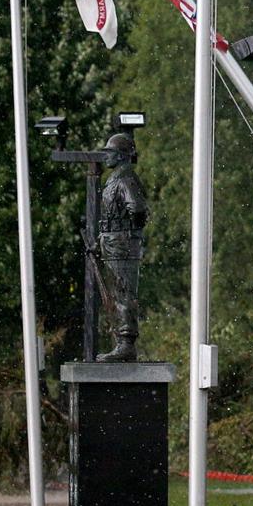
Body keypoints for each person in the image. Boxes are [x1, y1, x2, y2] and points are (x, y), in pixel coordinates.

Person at [96, 131, 148, 362]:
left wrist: (126, 233)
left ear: (122, 155)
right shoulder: (116, 177)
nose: (106, 157)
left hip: (122, 242)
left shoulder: (125, 178)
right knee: (115, 292)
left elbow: (136, 208)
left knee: (123, 292)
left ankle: (126, 343)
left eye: (111, 152)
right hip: (114, 240)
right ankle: (120, 340)